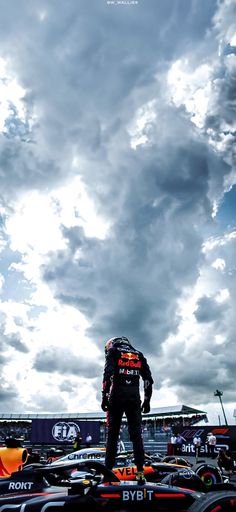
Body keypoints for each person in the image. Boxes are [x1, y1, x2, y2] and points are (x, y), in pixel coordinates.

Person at [101, 336, 153, 484]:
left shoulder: (113, 351)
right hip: (134, 398)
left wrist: (104, 397)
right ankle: (140, 472)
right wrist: (147, 400)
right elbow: (148, 380)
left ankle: (108, 472)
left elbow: (107, 375)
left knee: (112, 435)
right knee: (136, 435)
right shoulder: (139, 354)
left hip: (116, 396)